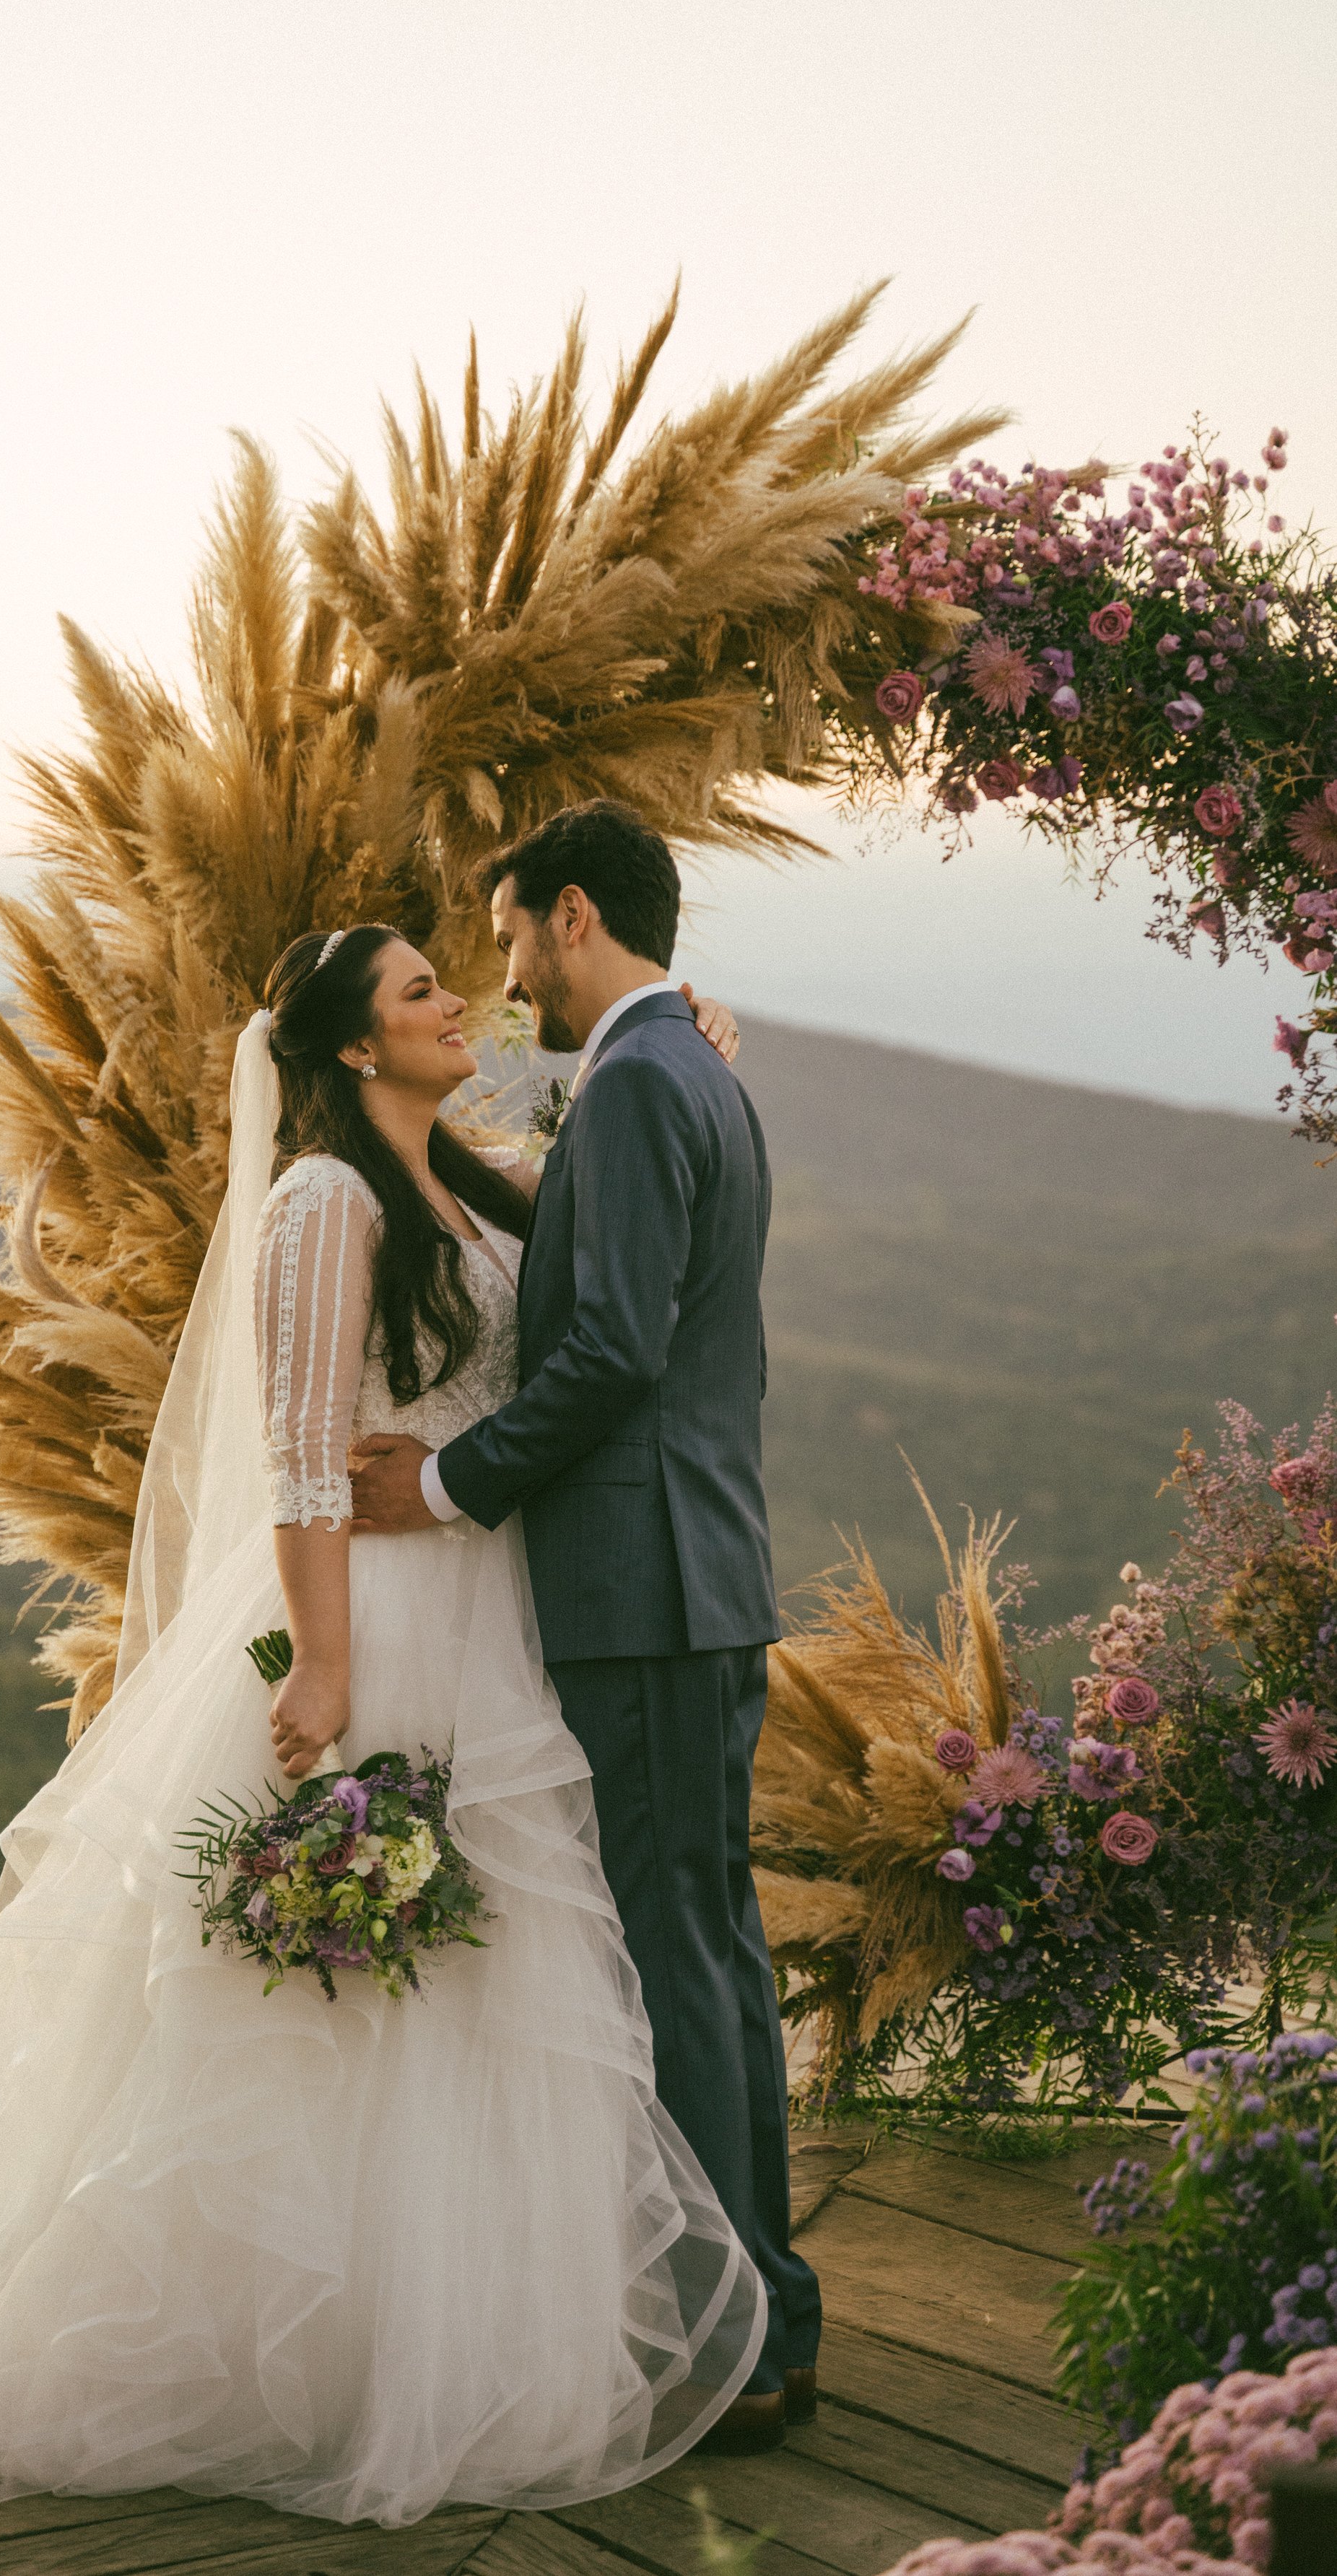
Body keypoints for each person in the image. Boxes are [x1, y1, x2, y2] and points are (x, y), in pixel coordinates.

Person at [0, 919, 765, 2528]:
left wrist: (676, 1078)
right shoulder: (323, 1202)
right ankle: (293, 2342)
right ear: (346, 1049)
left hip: (492, 1624)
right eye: (413, 992)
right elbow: (304, 1456)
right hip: (378, 1627)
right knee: (348, 1982)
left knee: (485, 1971)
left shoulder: (462, 1184)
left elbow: (577, 1296)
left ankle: (453, 2321)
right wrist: (321, 1668)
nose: (452, 998)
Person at [350, 800, 823, 2452]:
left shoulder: (635, 1082)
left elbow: (612, 1350)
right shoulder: (694, 1071)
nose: (502, 986)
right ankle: (763, 2307)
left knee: (673, 1948)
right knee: (711, 1946)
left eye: (502, 946)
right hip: (696, 1577)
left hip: (643, 1586)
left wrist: (451, 1484)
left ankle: (733, 2333)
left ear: (567, 917)